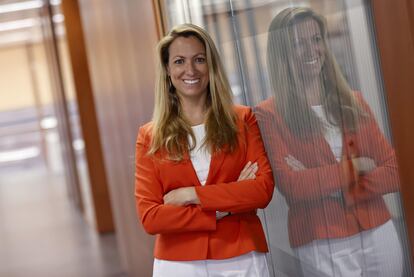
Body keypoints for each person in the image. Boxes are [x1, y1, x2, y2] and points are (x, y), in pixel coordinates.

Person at [255, 7, 403, 277]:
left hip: (378, 229)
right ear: (282, 54)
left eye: (316, 39)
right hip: (322, 239)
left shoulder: (354, 102)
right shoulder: (268, 114)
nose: (312, 50)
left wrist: (328, 185)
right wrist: (359, 165)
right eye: (299, 43)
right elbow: (294, 186)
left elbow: (394, 173)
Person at [134, 23, 274, 277]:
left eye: (199, 59)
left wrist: (191, 194)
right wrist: (224, 207)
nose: (190, 70)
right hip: (178, 265)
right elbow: (151, 217)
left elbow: (262, 190)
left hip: (241, 256)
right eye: (179, 61)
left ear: (211, 65)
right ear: (167, 69)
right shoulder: (150, 136)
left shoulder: (242, 120)